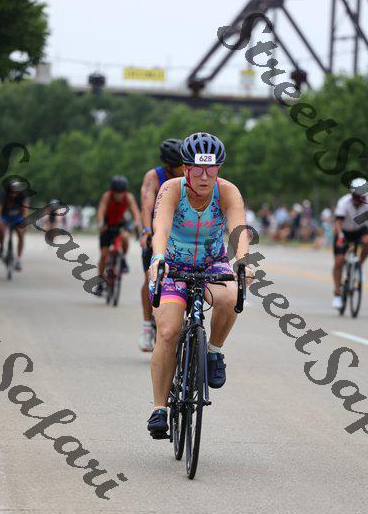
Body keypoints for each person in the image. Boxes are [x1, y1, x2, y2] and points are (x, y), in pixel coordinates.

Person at [146, 132, 255, 437]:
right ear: (185, 168)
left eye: (211, 169)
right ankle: (159, 408)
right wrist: (158, 258)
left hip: (211, 262)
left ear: (219, 168)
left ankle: (214, 351)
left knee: (231, 296)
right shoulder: (171, 189)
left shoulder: (227, 191)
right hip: (172, 264)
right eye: (197, 169)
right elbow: (161, 228)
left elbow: (238, 230)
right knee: (168, 331)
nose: (205, 176)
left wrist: (243, 261)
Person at [139, 139, 184, 352]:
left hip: (180, 235)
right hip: (156, 232)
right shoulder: (154, 176)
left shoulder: (190, 174)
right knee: (150, 278)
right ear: (168, 166)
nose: (184, 168)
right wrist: (147, 231)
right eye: (179, 165)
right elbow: (147, 206)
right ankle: (147, 326)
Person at [332, 178, 368, 310]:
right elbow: (338, 222)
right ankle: (337, 293)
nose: (359, 199)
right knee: (339, 261)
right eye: (356, 196)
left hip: (360, 230)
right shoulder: (343, 202)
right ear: (352, 194)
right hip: (343, 231)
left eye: (362, 197)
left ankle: (358, 266)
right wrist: (340, 235)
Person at [95, 175, 141, 296]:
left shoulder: (128, 197)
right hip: (107, 225)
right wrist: (100, 223)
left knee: (125, 237)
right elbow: (101, 211)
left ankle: (122, 258)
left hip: (120, 224)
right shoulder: (107, 196)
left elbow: (135, 212)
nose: (119, 196)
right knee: (104, 255)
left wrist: (137, 224)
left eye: (121, 193)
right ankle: (100, 281)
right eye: (116, 193)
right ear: (113, 191)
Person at [0, 179, 29, 270]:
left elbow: (25, 208)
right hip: (5, 216)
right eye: (13, 190)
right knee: (0, 228)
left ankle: (18, 260)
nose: (15, 192)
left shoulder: (22, 195)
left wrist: (24, 219)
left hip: (18, 217)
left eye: (17, 190)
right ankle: (1, 247)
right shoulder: (4, 195)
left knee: (21, 233)